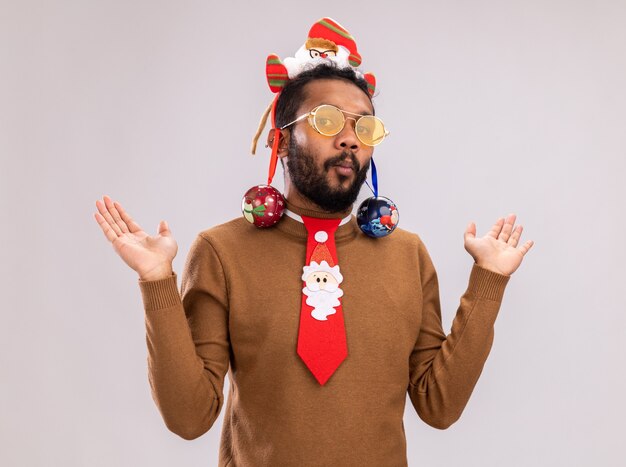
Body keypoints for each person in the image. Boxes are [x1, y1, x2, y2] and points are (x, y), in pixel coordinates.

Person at [94, 18, 534, 467]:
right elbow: (188, 418)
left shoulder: (408, 255)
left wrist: (490, 281)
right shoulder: (221, 252)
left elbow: (439, 406)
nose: (349, 139)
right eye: (327, 121)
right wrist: (156, 281)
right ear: (280, 141)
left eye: (365, 129)